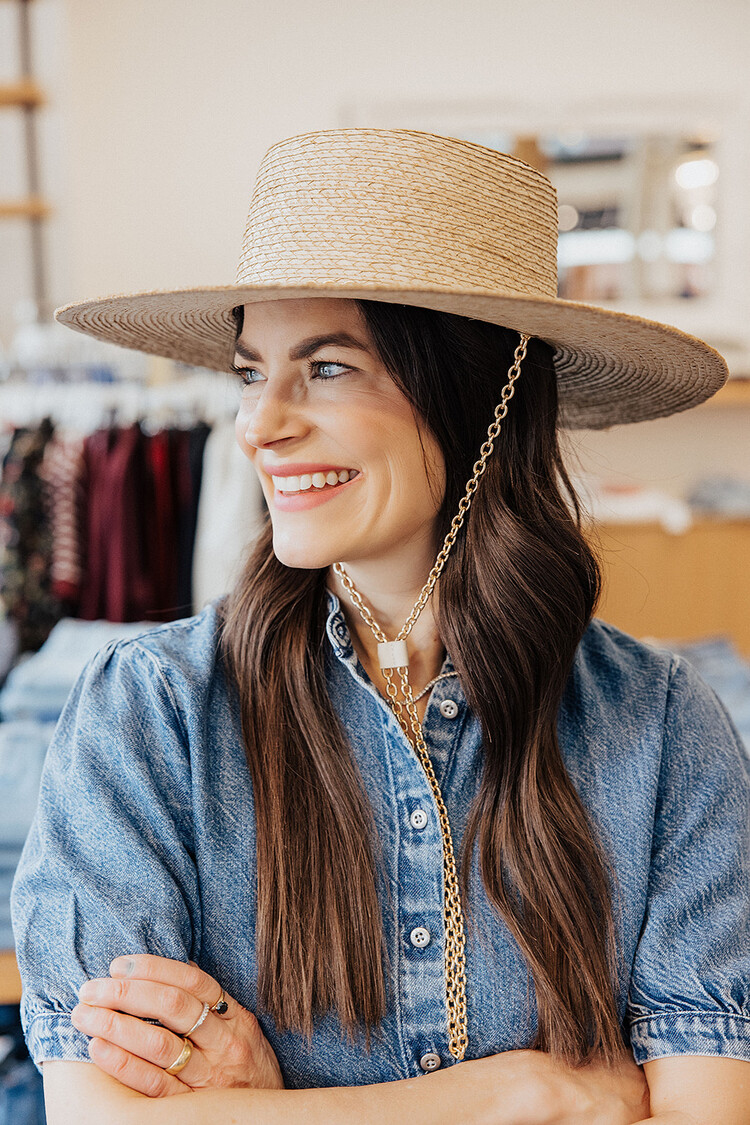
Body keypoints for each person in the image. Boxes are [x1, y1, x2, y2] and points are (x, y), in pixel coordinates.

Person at [10, 129, 750, 1125]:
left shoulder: (661, 727)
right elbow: (102, 1115)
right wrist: (523, 1093)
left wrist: (267, 1109)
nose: (258, 425)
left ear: (479, 394)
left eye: (325, 369)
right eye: (249, 372)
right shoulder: (153, 710)